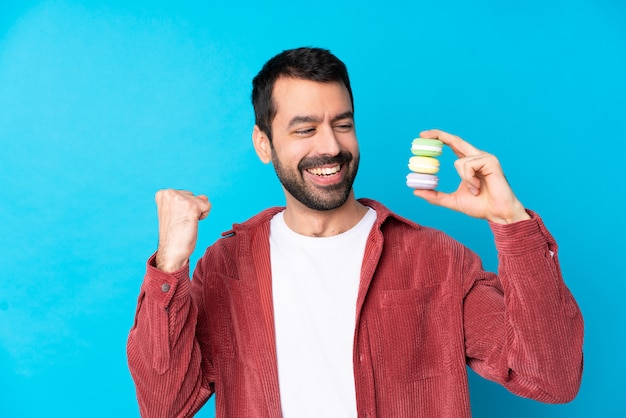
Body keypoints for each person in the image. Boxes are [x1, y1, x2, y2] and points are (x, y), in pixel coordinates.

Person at [127, 47, 584, 417]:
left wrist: (511, 223)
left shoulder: (438, 260)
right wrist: (170, 263)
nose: (330, 147)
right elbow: (166, 405)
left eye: (342, 124)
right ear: (264, 144)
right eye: (305, 129)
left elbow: (551, 378)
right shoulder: (226, 267)